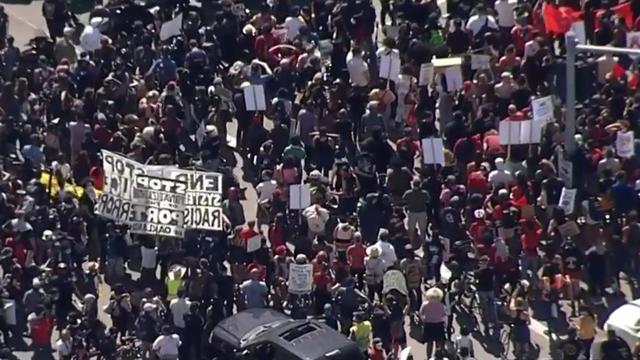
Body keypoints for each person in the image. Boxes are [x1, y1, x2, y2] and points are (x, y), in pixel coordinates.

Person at [420, 287, 447, 358]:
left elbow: (421, 313)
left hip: (428, 325)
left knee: (429, 343)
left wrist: (424, 320)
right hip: (439, 325)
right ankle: (437, 356)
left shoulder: (425, 304)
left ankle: (429, 357)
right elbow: (444, 315)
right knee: (438, 342)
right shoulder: (442, 305)